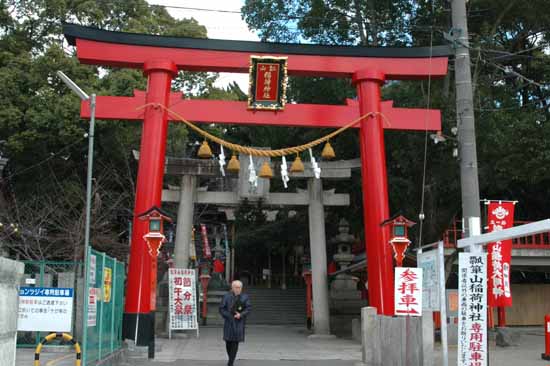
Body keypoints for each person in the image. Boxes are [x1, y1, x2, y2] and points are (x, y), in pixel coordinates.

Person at [219, 280, 251, 366]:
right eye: (236, 287)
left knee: (235, 342)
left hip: (239, 323)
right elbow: (221, 309)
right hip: (229, 322)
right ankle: (231, 358)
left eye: (240, 287)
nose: (238, 289)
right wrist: (229, 316)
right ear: (232, 288)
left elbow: (248, 309)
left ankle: (230, 362)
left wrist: (241, 315)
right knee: (228, 342)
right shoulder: (226, 296)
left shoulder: (245, 297)